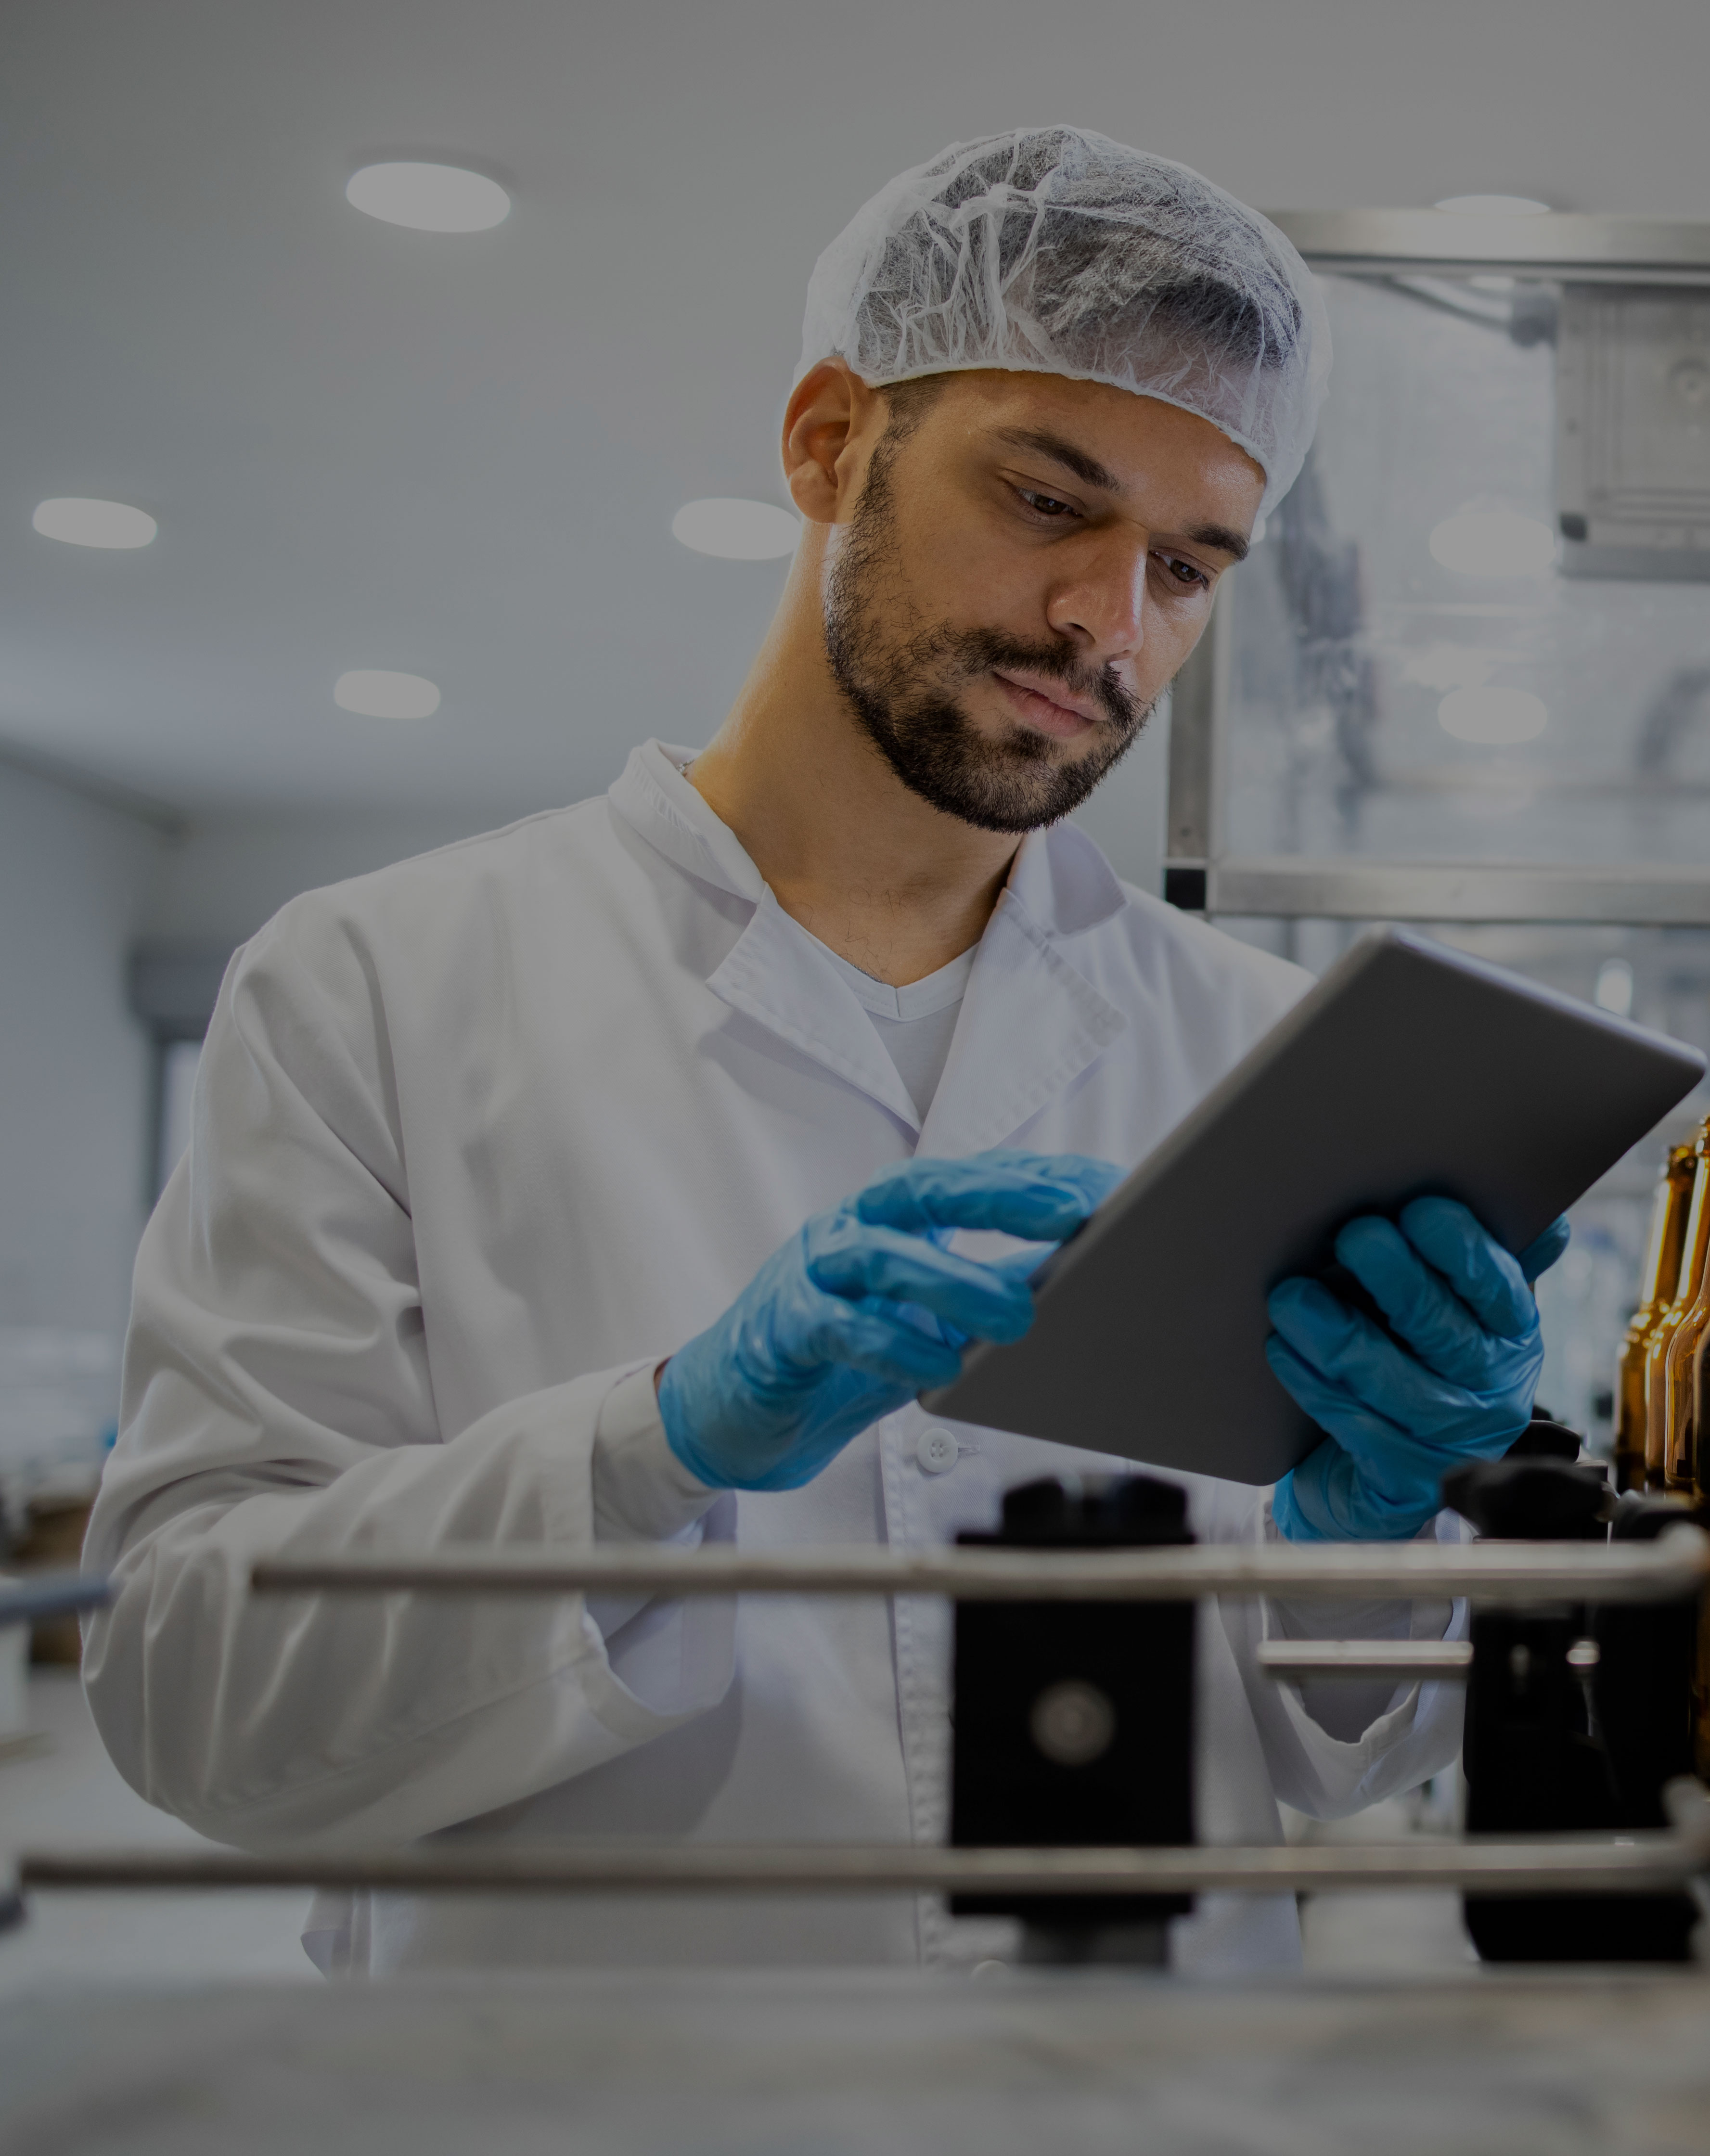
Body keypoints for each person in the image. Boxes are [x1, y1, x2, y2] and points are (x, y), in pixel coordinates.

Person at [80, 127, 1562, 1977]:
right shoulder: (375, 983)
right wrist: (653, 1447)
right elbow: (189, 1699)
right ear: (826, 442)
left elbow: (1335, 1765)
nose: (1110, 624)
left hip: (1139, 2104)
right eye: (1046, 502)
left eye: (1188, 566)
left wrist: (1363, 1544)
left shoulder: (1251, 1051)